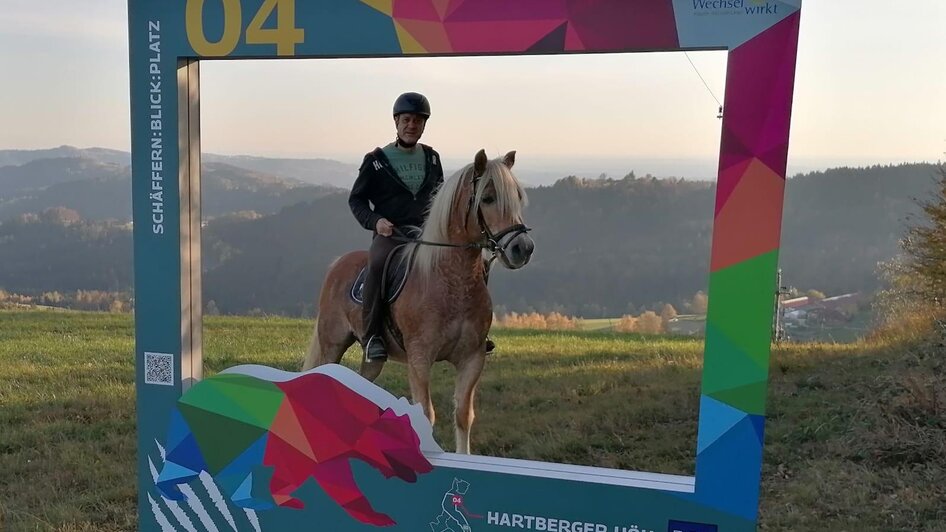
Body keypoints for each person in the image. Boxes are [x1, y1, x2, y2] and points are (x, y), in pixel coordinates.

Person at [349, 92, 444, 362]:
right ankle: (372, 337)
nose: (411, 125)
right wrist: (375, 222)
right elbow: (356, 200)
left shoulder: (432, 158)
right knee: (377, 265)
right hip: (391, 235)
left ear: (424, 125)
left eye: (417, 121)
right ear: (396, 122)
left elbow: (439, 198)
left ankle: (470, 330)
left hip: (427, 236)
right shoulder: (376, 160)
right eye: (406, 120)